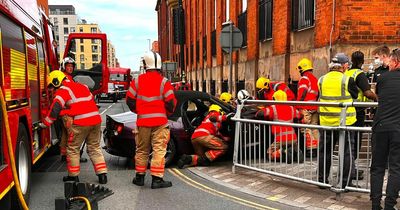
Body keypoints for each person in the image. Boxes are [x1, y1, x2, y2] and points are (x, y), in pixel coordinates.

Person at [39, 70, 107, 184]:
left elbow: (55, 108)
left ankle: (73, 176)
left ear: (56, 82)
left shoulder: (63, 90)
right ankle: (102, 175)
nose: (52, 90)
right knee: (94, 148)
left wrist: (45, 123)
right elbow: (90, 102)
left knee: (73, 149)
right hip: (96, 120)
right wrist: (69, 111)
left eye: (52, 86)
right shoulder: (82, 86)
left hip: (81, 123)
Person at [126, 51, 177, 189]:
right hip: (160, 123)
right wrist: (166, 113)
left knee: (142, 150)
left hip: (142, 122)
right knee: (159, 150)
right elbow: (171, 102)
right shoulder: (164, 82)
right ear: (159, 65)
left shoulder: (137, 81)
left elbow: (129, 100)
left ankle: (139, 177)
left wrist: (138, 111)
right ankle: (157, 180)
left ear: (145, 64)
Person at [317, 53, 358, 189]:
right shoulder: (348, 79)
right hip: (345, 123)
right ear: (344, 65)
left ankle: (322, 181)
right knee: (346, 153)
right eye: (347, 64)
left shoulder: (321, 80)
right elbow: (355, 95)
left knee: (325, 152)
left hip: (326, 122)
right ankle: (345, 183)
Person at [370, 49, 400, 210]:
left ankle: (375, 205)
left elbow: (379, 96)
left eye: (390, 62)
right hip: (398, 129)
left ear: (395, 62)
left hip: (381, 127)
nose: (387, 64)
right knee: (396, 167)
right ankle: (390, 205)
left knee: (377, 167)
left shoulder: (382, 78)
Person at [345, 51, 378, 181]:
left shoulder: (346, 73)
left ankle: (348, 169)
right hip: (357, 112)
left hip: (346, 111)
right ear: (362, 61)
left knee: (347, 143)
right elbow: (367, 93)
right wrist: (377, 98)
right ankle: (351, 171)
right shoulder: (359, 74)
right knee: (355, 142)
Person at [255, 90, 303, 163]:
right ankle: (296, 152)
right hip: (293, 139)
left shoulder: (273, 108)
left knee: (269, 154)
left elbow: (260, 114)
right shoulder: (291, 108)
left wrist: (260, 110)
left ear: (274, 99)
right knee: (292, 145)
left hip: (280, 139)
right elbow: (300, 115)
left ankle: (283, 152)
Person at [177, 104, 231, 168]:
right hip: (204, 137)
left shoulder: (207, 119)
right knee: (223, 147)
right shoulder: (214, 113)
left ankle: (187, 158)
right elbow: (213, 117)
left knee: (200, 159)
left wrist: (223, 137)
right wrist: (226, 117)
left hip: (195, 138)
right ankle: (204, 159)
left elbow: (216, 133)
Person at [296, 58, 319, 151]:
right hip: (315, 107)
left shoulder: (304, 78)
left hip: (306, 108)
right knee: (314, 128)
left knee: (306, 128)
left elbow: (302, 93)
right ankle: (317, 147)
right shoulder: (315, 79)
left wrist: (298, 107)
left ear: (301, 69)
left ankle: (311, 149)